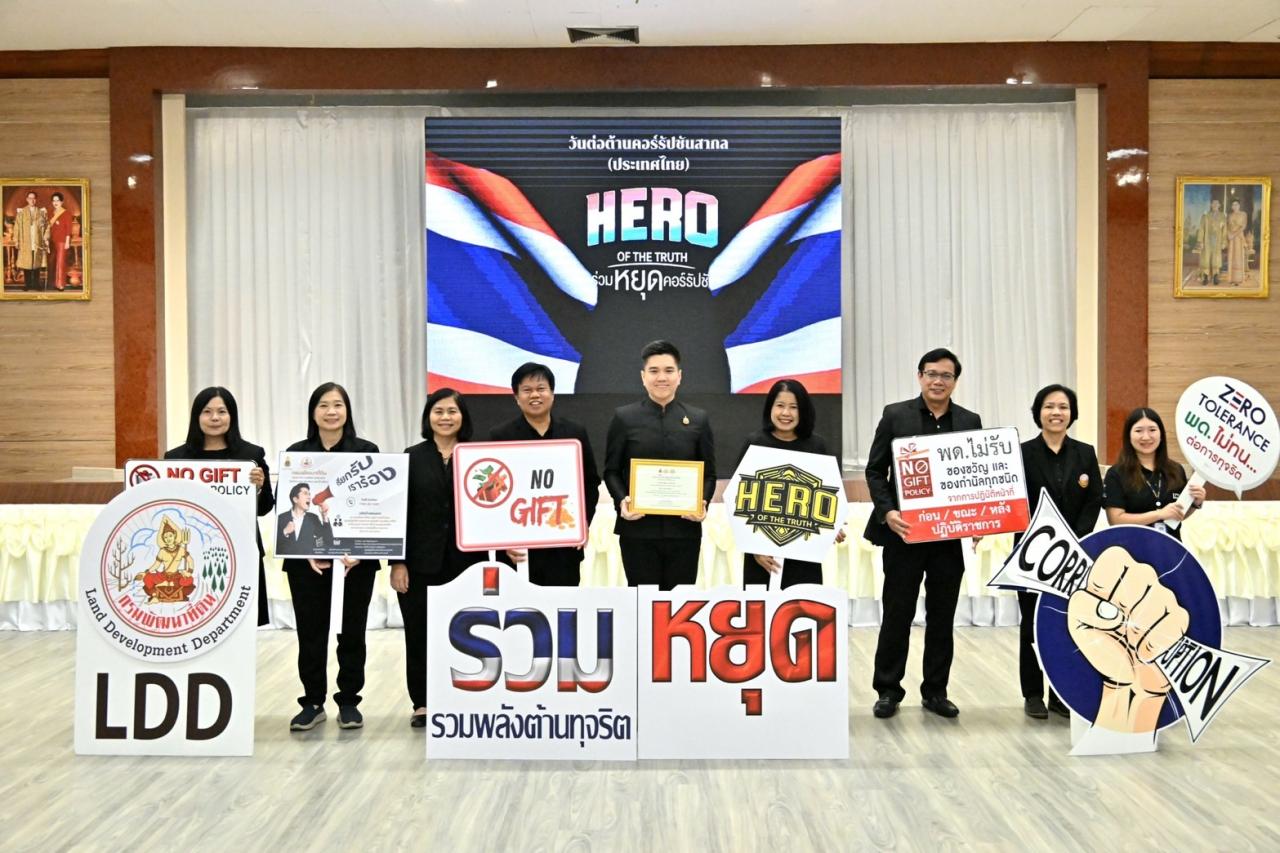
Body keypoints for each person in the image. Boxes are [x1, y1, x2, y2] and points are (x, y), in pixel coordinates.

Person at [864, 347, 981, 719]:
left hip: (948, 538)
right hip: (905, 534)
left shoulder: (970, 421)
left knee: (942, 616)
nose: (938, 381)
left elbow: (977, 477)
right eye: (931, 373)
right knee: (897, 613)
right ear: (919, 376)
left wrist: (979, 521)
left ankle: (935, 691)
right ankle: (888, 690)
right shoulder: (895, 415)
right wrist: (888, 512)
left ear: (955, 381)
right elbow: (874, 470)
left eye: (946, 375)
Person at [280, 382, 380, 733]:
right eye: (323, 405)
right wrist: (307, 551)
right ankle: (312, 702)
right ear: (313, 412)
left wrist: (359, 551)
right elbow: (290, 515)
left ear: (347, 411)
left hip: (357, 564)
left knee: (352, 632)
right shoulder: (296, 455)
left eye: (338, 404)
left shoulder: (367, 452)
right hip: (306, 564)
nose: (331, 411)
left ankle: (349, 701)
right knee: (311, 633)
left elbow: (375, 508)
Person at [389, 388, 474, 728]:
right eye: (438, 411)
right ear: (428, 417)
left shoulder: (478, 455)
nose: (445, 417)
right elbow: (398, 513)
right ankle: (422, 702)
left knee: (466, 632)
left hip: (468, 563)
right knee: (419, 633)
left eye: (452, 411)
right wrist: (397, 562)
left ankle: (465, 697)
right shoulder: (411, 457)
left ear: (463, 416)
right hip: (419, 563)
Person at [1016, 384, 1102, 719]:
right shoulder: (1021, 453)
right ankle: (1033, 694)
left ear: (1072, 414)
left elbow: (1093, 500)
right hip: (1031, 554)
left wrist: (1075, 539)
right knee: (1031, 625)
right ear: (1038, 413)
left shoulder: (1085, 453)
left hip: (1072, 556)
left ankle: (1060, 693)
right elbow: (1014, 501)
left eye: (1063, 407)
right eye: (1049, 406)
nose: (1056, 412)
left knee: (1066, 624)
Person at [604, 340, 716, 590]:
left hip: (684, 531)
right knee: (643, 603)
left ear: (679, 376)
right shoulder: (624, 418)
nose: (661, 377)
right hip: (638, 531)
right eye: (654, 371)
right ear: (643, 377)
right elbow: (611, 471)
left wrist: (703, 502)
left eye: (668, 370)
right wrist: (622, 501)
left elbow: (709, 474)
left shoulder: (698, 419)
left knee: (679, 604)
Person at [164, 386, 273, 626]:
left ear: (232, 416)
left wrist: (259, 487)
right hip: (189, 553)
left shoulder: (251, 455)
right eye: (207, 412)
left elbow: (265, 508)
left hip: (240, 550)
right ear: (196, 416)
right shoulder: (175, 459)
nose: (215, 418)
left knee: (239, 621)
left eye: (222, 412)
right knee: (192, 619)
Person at [489, 362, 601, 586]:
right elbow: (494, 494)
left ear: (552, 393)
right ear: (516, 397)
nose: (535, 395)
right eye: (527, 390)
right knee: (521, 605)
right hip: (519, 549)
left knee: (564, 604)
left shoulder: (574, 433)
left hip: (563, 546)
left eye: (541, 388)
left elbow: (589, 483)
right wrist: (503, 540)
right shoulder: (501, 436)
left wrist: (582, 524)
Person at [734, 378, 844, 588]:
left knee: (803, 605)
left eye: (794, 407)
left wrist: (833, 525)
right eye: (780, 405)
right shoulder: (755, 443)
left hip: (805, 552)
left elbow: (831, 496)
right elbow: (739, 499)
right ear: (770, 408)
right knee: (761, 607)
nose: (786, 413)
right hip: (762, 555)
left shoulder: (817, 446)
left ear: (803, 411)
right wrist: (754, 548)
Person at [1103, 407, 1205, 541]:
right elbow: (1116, 520)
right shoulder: (1116, 474)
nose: (1146, 437)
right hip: (1131, 549)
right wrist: (1159, 514)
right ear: (1128, 436)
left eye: (1152, 430)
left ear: (1161, 434)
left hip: (1171, 547)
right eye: (1138, 431)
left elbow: (1177, 515)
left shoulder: (1176, 470)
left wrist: (1195, 503)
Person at [275, 483, 333, 555]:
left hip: (309, 561)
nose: (309, 497)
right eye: (305, 493)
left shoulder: (313, 518)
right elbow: (277, 548)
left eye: (309, 494)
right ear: (295, 499)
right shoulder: (281, 518)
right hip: (289, 562)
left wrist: (324, 516)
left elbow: (328, 541)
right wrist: (285, 531)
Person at [13, 191, 46, 291]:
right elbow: (17, 227)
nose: (32, 200)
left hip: (37, 241)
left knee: (36, 263)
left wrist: (46, 238)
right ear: (27, 199)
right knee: (26, 264)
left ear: (36, 200)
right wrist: (16, 240)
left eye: (34, 198)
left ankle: (36, 284)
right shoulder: (21, 212)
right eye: (30, 198)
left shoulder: (41, 212)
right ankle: (27, 284)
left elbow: (46, 226)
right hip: (25, 241)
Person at [1195, 197, 1227, 285]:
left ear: (1219, 205)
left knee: (1216, 258)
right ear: (1211, 205)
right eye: (1213, 203)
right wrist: (1200, 241)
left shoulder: (1222, 216)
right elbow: (1201, 229)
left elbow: (1224, 230)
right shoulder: (1205, 216)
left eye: (1217, 203)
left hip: (1217, 240)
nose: (1215, 205)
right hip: (1207, 240)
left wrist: (1224, 242)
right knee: (1206, 257)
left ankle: (1216, 276)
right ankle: (1205, 276)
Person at [45, 192, 72, 291]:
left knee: (60, 263)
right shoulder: (51, 213)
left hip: (62, 241)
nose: (55, 202)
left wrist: (67, 241)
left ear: (62, 202)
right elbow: (48, 228)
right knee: (52, 262)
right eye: (54, 200)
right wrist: (46, 240)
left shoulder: (66, 213)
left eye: (57, 200)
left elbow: (69, 229)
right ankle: (52, 283)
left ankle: (60, 284)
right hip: (52, 240)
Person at [1225, 198, 1251, 286]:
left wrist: (1234, 234)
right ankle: (1231, 279)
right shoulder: (1230, 215)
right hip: (1231, 239)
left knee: (1238, 257)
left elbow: (1243, 226)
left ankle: (1239, 279)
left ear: (1239, 205)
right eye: (1233, 205)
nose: (1235, 206)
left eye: (1236, 204)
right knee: (1231, 257)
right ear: (1231, 206)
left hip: (1239, 238)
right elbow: (1227, 226)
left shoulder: (1243, 214)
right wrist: (1229, 234)